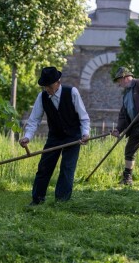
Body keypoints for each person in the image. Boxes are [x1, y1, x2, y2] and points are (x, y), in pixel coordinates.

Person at [19, 66, 90, 205]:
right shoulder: (42, 97)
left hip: (73, 136)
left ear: (58, 82)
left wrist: (85, 134)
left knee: (67, 168)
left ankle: (61, 201)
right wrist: (27, 136)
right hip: (55, 136)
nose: (47, 90)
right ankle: (37, 199)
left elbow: (84, 117)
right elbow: (34, 120)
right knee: (44, 167)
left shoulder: (72, 93)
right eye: (45, 87)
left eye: (49, 86)